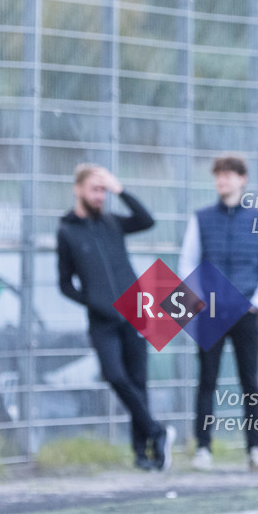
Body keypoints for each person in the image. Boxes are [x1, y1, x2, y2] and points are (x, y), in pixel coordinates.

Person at [56, 164, 174, 471]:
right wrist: (94, 302)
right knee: (116, 377)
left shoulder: (113, 222)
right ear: (78, 189)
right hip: (102, 319)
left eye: (103, 191)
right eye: (95, 189)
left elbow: (147, 220)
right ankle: (157, 430)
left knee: (139, 381)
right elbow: (65, 284)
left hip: (136, 310)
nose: (100, 196)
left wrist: (119, 188)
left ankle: (144, 452)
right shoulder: (67, 231)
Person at [179, 156, 258, 472]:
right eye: (218, 176)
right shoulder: (200, 218)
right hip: (209, 314)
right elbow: (187, 264)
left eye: (228, 175)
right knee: (206, 381)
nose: (222, 181)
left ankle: (255, 450)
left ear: (242, 179)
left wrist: (255, 304)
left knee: (249, 382)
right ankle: (203, 449)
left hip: (245, 314)